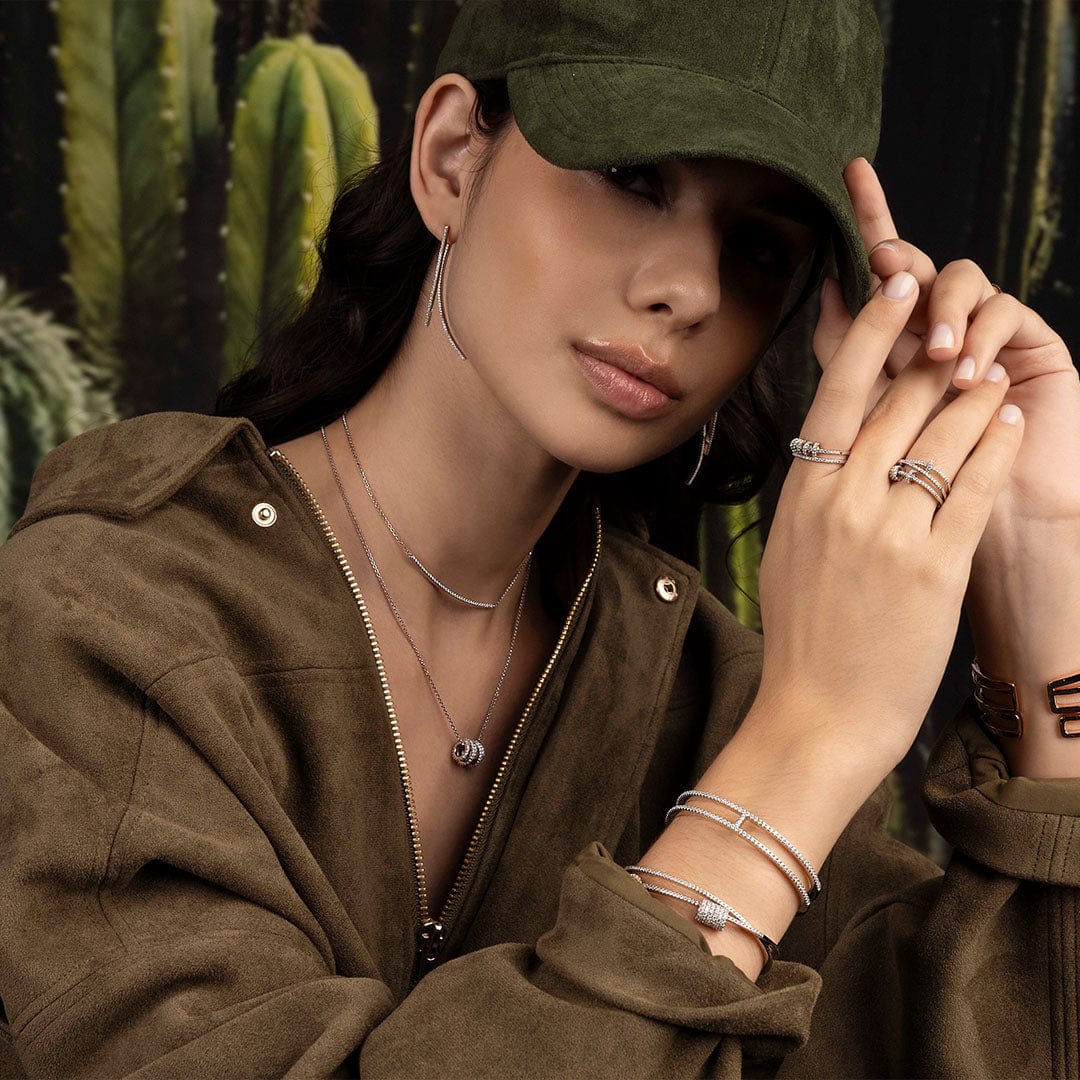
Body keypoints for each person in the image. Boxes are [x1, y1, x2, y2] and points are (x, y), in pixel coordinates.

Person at [2, 0, 1078, 1076]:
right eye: (630, 176)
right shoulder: (109, 610)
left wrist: (1048, 586)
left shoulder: (701, 694)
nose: (690, 290)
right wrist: (804, 751)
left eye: (755, 247)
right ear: (453, 158)